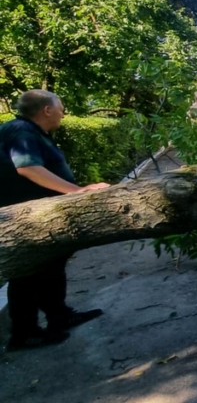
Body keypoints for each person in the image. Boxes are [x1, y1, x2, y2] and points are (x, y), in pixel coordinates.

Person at [0, 90, 109, 351]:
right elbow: (26, 167)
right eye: (60, 107)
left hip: (41, 214)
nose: (63, 113)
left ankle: (59, 316)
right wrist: (77, 191)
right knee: (27, 273)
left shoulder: (32, 132)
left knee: (50, 267)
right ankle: (24, 334)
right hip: (25, 218)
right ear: (46, 110)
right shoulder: (21, 131)